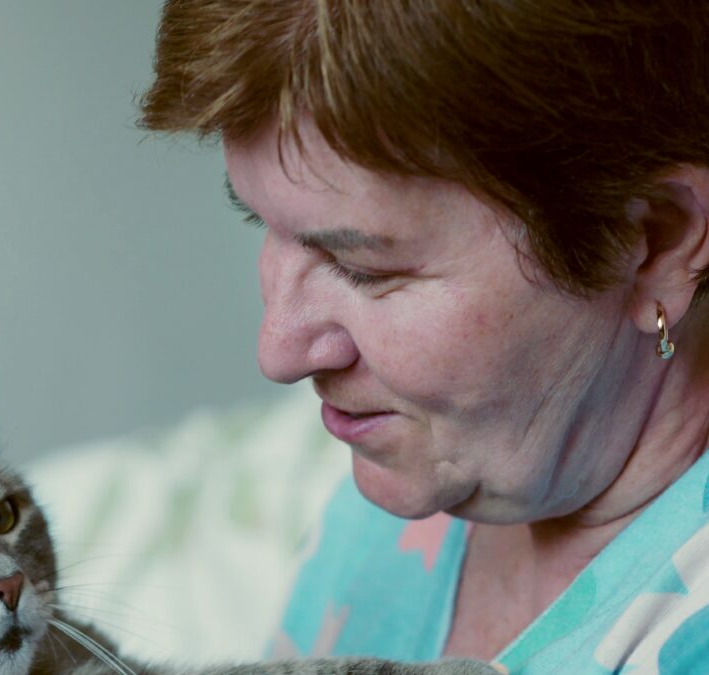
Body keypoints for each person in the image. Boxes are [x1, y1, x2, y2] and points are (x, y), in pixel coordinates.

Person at [139, 2, 709, 673]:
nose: (278, 352)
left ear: (656, 243)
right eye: (260, 222)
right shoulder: (411, 474)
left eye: (363, 268)